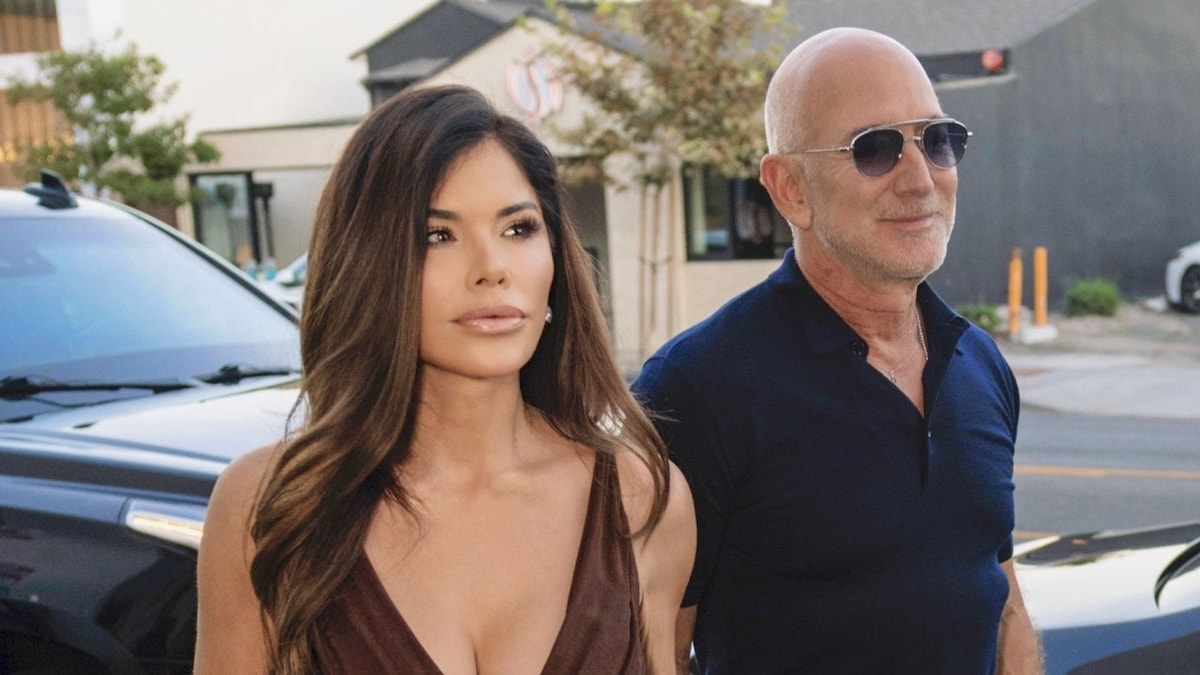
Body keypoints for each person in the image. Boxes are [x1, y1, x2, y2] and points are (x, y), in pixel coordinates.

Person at [195, 84, 695, 674]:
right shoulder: (271, 506)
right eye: (438, 236)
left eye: (518, 229)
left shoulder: (643, 497)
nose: (492, 269)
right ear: (369, 264)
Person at [632, 28, 1041, 674]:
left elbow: (1003, 603)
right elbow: (652, 650)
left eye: (938, 140)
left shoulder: (978, 363)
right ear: (789, 188)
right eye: (875, 149)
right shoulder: (696, 389)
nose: (920, 179)